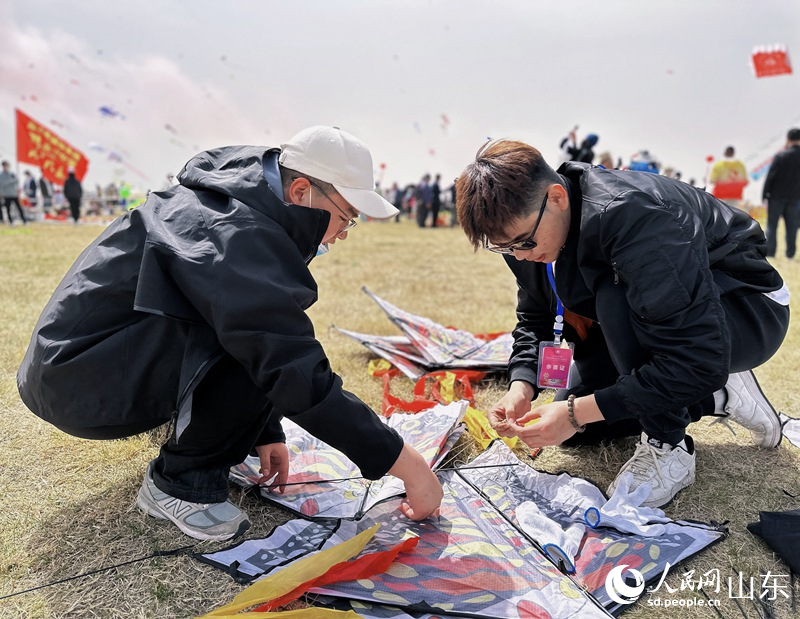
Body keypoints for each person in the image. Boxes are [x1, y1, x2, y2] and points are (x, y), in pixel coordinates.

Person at [17, 126, 443, 541]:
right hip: (79, 380)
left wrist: (264, 431)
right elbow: (287, 364)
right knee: (264, 348)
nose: (344, 233)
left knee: (255, 337)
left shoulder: (232, 201)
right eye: (346, 216)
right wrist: (404, 464)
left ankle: (209, 451)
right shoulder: (236, 232)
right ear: (301, 194)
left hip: (79, 362)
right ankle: (179, 486)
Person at [455, 139, 789, 508]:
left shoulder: (633, 216)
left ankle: (669, 447)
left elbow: (696, 357)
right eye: (504, 247)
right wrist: (522, 387)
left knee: (612, 302)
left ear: (557, 198)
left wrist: (572, 413)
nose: (520, 256)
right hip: (665, 323)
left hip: (746, 308)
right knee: (576, 430)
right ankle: (718, 394)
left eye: (524, 242)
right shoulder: (528, 229)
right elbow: (535, 316)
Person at [762, 127, 800, 259]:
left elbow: (770, 177)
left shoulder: (781, 156)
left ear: (788, 139)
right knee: (792, 226)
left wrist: (764, 194)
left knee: (772, 225)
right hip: (796, 198)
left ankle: (771, 252)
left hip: (776, 197)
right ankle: (791, 253)